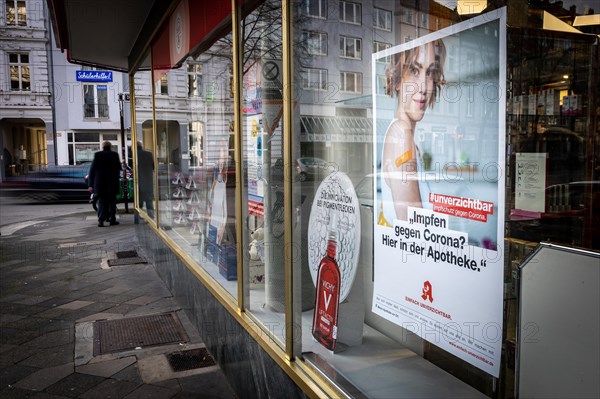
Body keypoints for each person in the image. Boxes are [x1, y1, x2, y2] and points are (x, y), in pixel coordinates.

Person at [379, 40, 446, 226]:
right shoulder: (401, 133)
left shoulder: (403, 135)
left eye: (430, 73)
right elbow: (415, 228)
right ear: (398, 79)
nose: (424, 88)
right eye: (415, 71)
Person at [88, 141, 122, 227]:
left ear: (102, 147)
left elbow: (92, 171)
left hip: (100, 183)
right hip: (112, 182)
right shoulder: (115, 155)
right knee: (112, 202)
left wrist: (90, 184)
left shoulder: (97, 155)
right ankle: (112, 220)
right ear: (110, 147)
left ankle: (101, 221)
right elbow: (119, 168)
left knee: (101, 202)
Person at [136, 141, 155, 218]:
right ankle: (151, 216)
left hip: (138, 181)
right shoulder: (149, 154)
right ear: (142, 146)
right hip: (148, 181)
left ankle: (139, 215)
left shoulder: (134, 155)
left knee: (139, 200)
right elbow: (153, 167)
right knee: (149, 200)